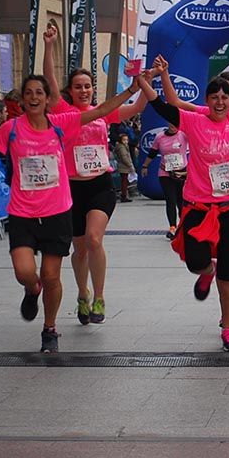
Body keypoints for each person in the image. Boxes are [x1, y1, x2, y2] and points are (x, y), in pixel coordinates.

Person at [0, 73, 150, 353]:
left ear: (47, 99)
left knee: (51, 275)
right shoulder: (11, 129)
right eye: (29, 93)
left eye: (39, 93)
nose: (34, 97)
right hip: (23, 213)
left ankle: (50, 329)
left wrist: (131, 88)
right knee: (24, 272)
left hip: (56, 212)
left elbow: (103, 110)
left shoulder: (61, 123)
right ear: (23, 98)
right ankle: (32, 289)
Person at [146, 43, 229, 352]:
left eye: (226, 97)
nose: (220, 101)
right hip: (198, 207)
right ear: (206, 101)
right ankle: (207, 272)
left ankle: (228, 328)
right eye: (214, 97)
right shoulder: (195, 121)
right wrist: (149, 81)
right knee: (196, 262)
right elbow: (163, 106)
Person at [42, 21, 150, 326]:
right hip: (71, 188)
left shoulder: (105, 111)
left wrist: (145, 80)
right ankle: (83, 293)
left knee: (93, 239)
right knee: (79, 250)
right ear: (70, 91)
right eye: (78, 86)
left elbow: (138, 106)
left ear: (93, 88)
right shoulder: (62, 111)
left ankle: (100, 297)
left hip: (100, 185)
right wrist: (49, 46)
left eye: (87, 86)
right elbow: (49, 81)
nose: (84, 90)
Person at [144, 123, 189, 239]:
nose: (173, 126)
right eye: (171, 123)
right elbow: (152, 153)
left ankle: (183, 226)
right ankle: (172, 228)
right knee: (170, 200)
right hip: (165, 173)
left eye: (175, 124)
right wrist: (145, 166)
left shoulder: (183, 135)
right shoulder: (160, 137)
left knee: (181, 201)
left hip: (181, 173)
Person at [113, 133, 135, 203]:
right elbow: (124, 157)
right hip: (124, 166)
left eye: (127, 140)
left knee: (125, 181)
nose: (126, 141)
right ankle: (124, 195)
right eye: (124, 140)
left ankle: (124, 195)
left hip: (123, 166)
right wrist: (130, 165)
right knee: (124, 181)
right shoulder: (122, 148)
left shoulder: (123, 146)